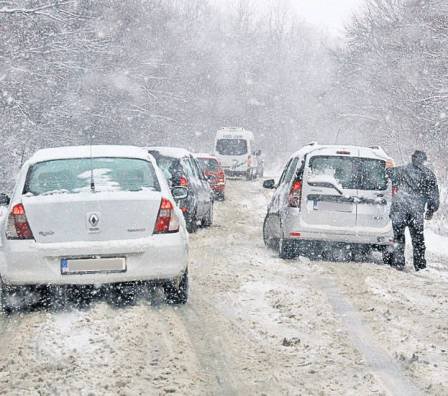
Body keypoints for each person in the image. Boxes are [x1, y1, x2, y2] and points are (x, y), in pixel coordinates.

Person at [388, 151, 440, 271]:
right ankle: (420, 265)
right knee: (418, 240)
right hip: (416, 213)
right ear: (424, 160)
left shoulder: (401, 170)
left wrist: (387, 167)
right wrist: (431, 210)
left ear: (412, 158)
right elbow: (434, 195)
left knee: (398, 238)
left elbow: (388, 173)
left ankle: (398, 263)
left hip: (399, 211)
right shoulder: (429, 174)